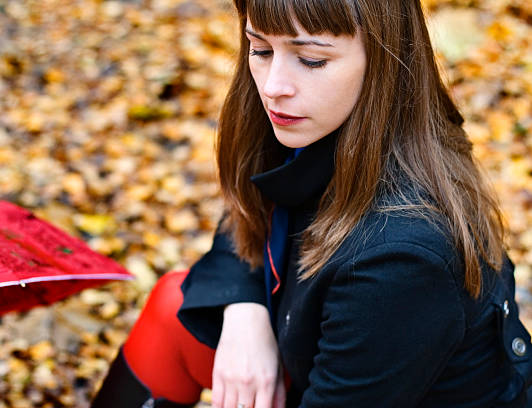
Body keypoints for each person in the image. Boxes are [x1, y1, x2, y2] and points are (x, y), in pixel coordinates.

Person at [91, 0, 532, 406]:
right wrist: (244, 310)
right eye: (259, 49)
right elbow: (249, 213)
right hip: (312, 361)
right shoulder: (310, 121)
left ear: (384, 61)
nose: (273, 87)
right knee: (174, 306)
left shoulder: (403, 255)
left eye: (311, 60)